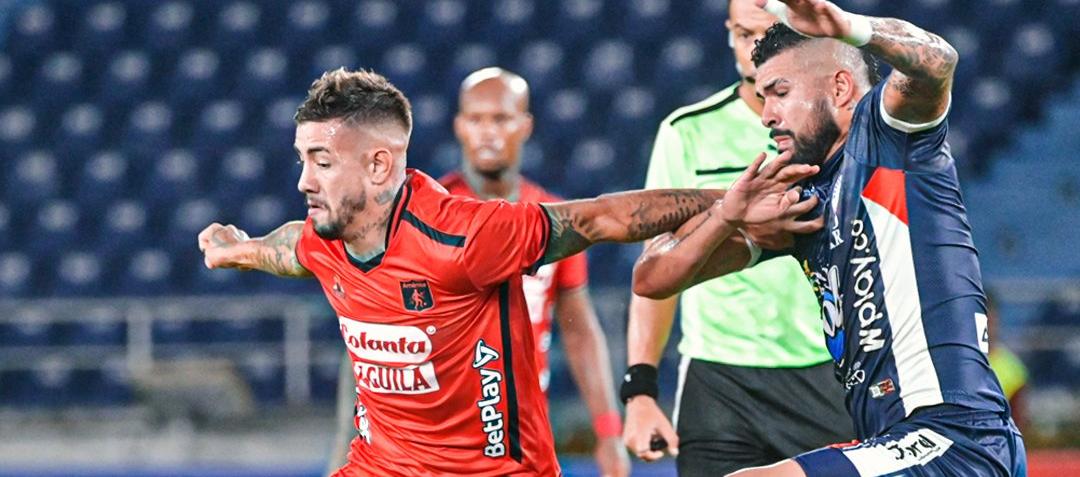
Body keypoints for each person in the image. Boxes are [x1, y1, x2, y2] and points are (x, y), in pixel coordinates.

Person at [198, 68, 817, 476]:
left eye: (322, 161)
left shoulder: (465, 235)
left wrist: (727, 204)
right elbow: (291, 246)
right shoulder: (327, 236)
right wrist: (240, 249)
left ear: (380, 166)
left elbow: (603, 218)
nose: (304, 181)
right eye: (303, 161)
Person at [632, 0, 1027, 475]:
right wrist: (724, 215)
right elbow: (652, 278)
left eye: (780, 93)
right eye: (763, 96)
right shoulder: (804, 204)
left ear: (839, 88)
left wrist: (853, 27)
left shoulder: (887, 141)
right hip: (884, 436)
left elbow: (938, 62)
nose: (766, 116)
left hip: (953, 436)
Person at [325, 67, 631, 477]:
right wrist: (344, 446)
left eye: (501, 119)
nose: (488, 132)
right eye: (476, 119)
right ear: (459, 126)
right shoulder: (416, 216)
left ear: (525, 125)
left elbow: (580, 332)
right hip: (432, 442)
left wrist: (608, 433)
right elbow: (369, 336)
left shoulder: (552, 222)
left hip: (517, 436)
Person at [621, 1, 852, 473]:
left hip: (828, 373)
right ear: (729, 33)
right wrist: (640, 389)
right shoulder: (686, 133)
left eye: (770, 33)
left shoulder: (836, 130)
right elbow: (658, 267)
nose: (756, 48)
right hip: (719, 382)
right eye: (745, 34)